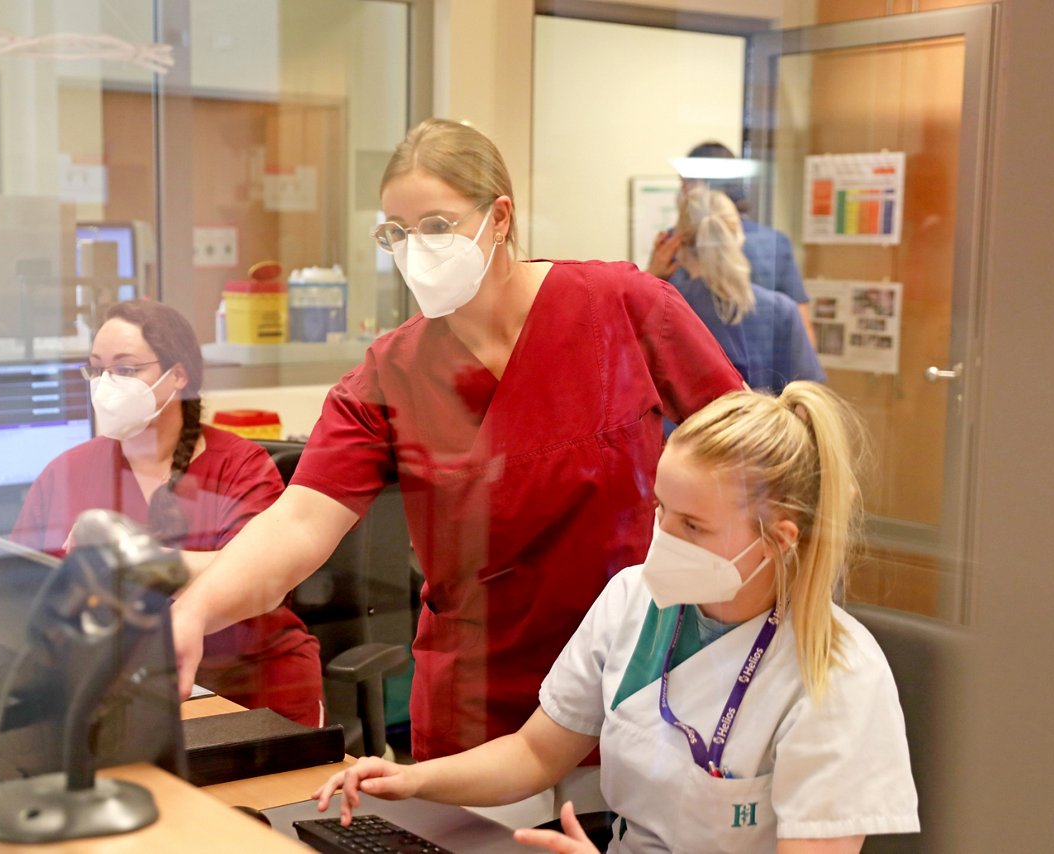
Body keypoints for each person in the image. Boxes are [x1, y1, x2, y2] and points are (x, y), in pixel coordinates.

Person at [171, 118, 744, 760]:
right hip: (477, 700)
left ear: (499, 218)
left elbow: (751, 452)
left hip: (634, 675)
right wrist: (194, 612)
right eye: (396, 233)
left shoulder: (619, 306)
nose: (416, 249)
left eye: (438, 227)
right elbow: (299, 522)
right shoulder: (391, 375)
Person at [313, 382, 919, 853]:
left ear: (779, 539)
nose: (663, 536)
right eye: (661, 509)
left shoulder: (836, 674)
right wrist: (412, 782)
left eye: (693, 526)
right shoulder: (636, 599)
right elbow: (535, 754)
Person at [11, 300, 323, 725]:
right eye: (96, 369)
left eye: (125, 370)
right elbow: (17, 588)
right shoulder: (67, 472)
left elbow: (262, 576)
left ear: (178, 376)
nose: (105, 384)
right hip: (121, 696)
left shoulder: (239, 467)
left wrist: (132, 560)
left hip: (250, 693)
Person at [648, 141, 815, 345]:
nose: (682, 189)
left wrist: (649, 276)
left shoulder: (674, 243)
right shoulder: (773, 243)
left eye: (685, 181)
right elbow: (803, 335)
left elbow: (645, 326)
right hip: (763, 373)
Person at [669, 188, 823, 395]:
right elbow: (807, 395)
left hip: (687, 428)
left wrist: (651, 275)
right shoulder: (780, 310)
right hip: (763, 426)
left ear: (678, 242)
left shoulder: (666, 310)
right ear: (739, 237)